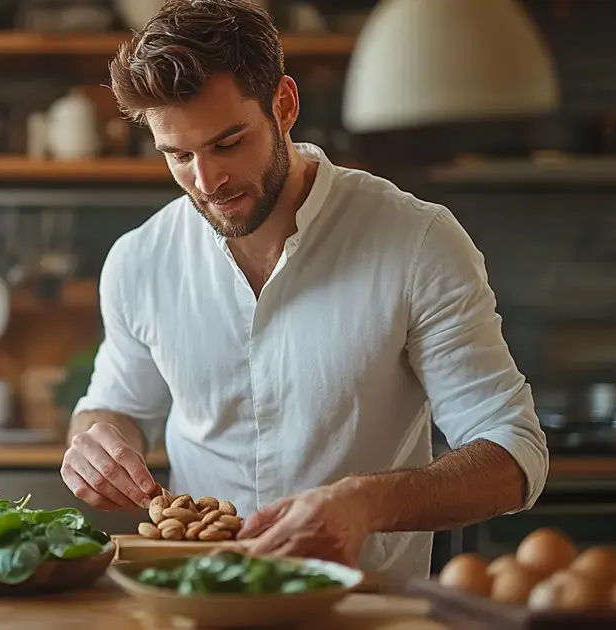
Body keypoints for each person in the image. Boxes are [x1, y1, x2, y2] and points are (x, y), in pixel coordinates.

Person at [59, 0, 549, 580]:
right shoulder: (140, 259)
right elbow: (116, 406)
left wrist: (364, 503)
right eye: (179, 155)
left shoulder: (418, 241)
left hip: (365, 610)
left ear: (284, 106)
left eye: (228, 142)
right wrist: (94, 443)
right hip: (198, 602)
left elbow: (513, 454)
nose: (206, 181)